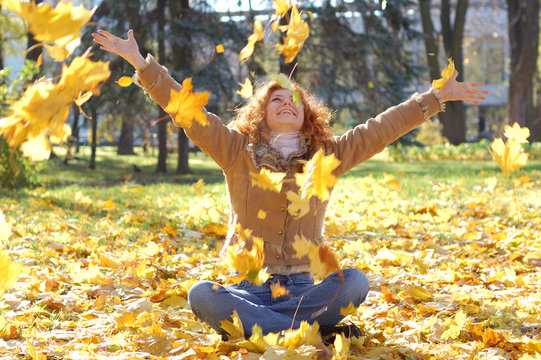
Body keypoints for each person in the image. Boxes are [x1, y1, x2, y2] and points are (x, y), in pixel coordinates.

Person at [92, 29, 488, 356]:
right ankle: (305, 335)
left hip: (304, 289)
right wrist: (142, 65)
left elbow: (380, 129)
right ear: (260, 115)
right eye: (276, 99)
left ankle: (274, 333)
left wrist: (436, 98)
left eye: (294, 100)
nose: (286, 103)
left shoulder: (328, 155)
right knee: (202, 295)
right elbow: (188, 112)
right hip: (248, 290)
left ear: (307, 114)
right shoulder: (235, 150)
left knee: (355, 283)